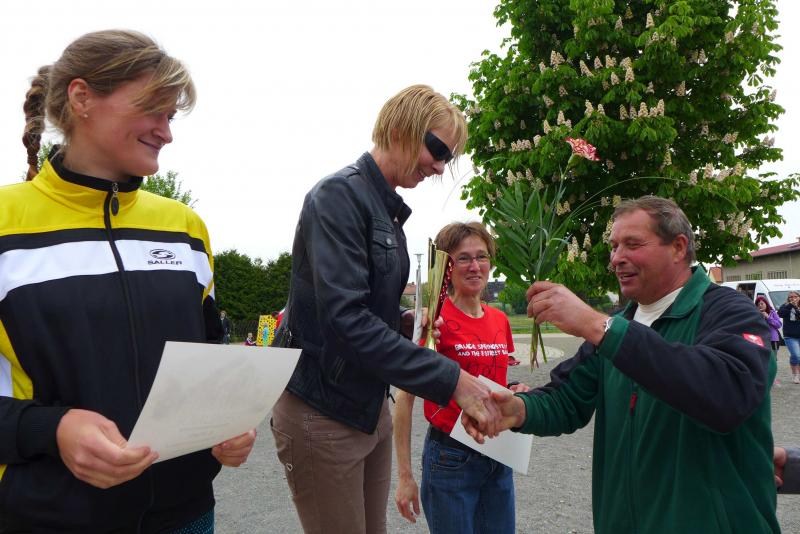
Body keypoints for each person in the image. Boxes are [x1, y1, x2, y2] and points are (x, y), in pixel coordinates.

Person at [0, 30, 255, 533]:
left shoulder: (185, 229)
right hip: (48, 518)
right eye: (153, 110)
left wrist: (227, 423)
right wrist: (52, 430)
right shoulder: (7, 224)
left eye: (171, 116)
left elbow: (206, 359)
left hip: (187, 515)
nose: (166, 133)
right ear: (82, 98)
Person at [464, 196, 779, 533]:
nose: (616, 258)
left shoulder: (730, 312)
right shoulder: (622, 324)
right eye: (614, 247)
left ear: (678, 247)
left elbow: (727, 395)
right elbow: (567, 397)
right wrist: (518, 410)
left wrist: (598, 326)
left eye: (633, 244)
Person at [270, 84, 500, 534]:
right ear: (399, 129)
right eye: (437, 150)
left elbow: (368, 311)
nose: (440, 166)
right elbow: (345, 320)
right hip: (323, 409)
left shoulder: (388, 212)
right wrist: (451, 380)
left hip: (368, 406)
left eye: (448, 158)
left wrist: (408, 323)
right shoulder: (337, 197)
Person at [393, 222, 529, 533]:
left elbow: (493, 381)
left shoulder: (500, 319)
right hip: (451, 459)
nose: (475, 266)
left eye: (481, 256)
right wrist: (405, 476)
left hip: (498, 453)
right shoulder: (433, 323)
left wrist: (514, 390)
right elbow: (404, 399)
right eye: (463, 258)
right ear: (447, 268)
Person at [778, 291, 800, 383]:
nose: (793, 298)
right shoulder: (785, 306)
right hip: (790, 336)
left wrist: (797, 308)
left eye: (795, 296)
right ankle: (795, 375)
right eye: (791, 297)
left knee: (798, 356)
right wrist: (791, 305)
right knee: (796, 355)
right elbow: (780, 314)